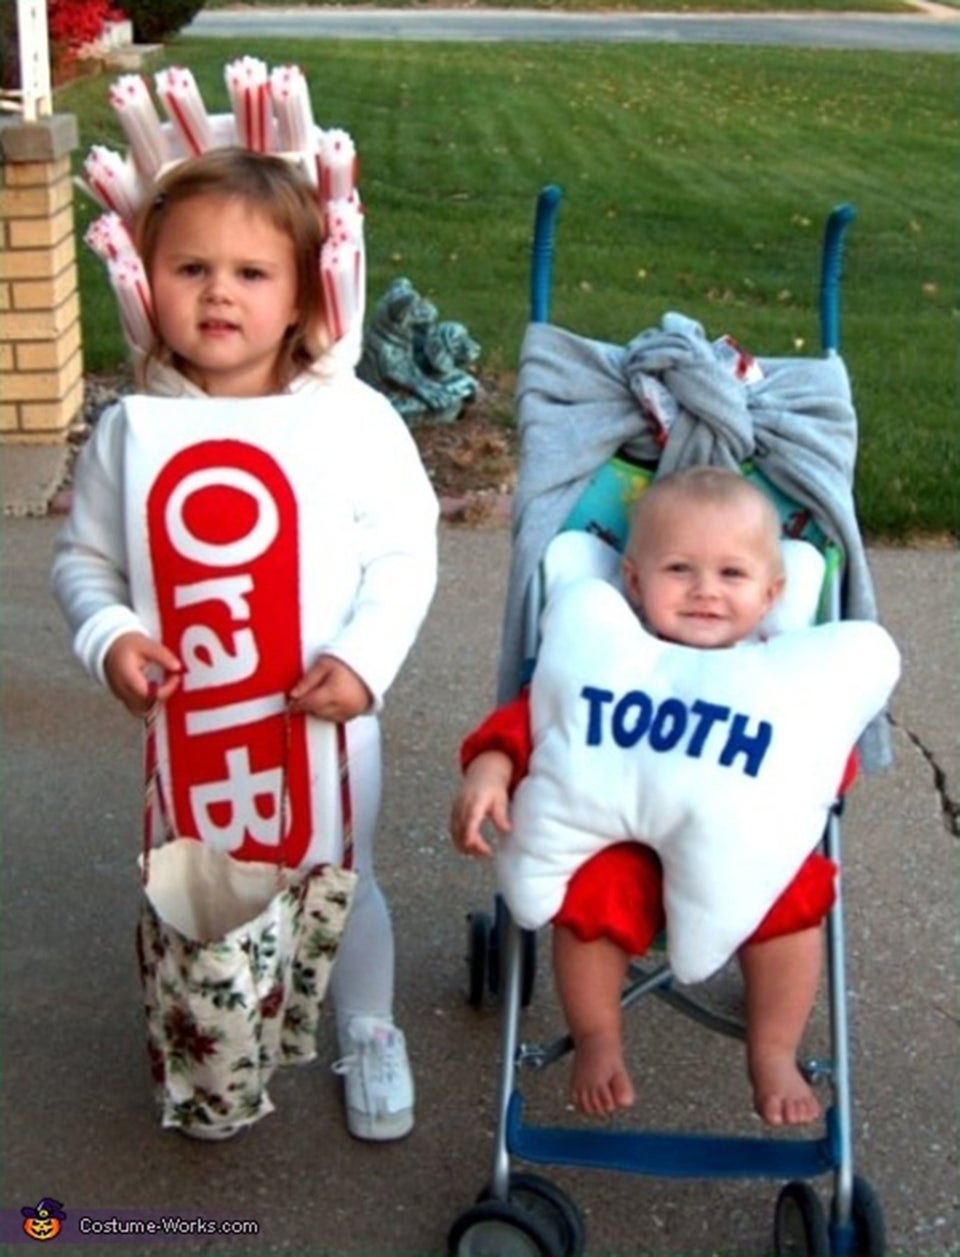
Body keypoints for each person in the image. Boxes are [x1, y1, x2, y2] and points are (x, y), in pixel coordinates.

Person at [52, 149, 438, 1142]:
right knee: (219, 898)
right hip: (201, 736)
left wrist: (364, 660)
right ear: (148, 285)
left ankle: (368, 1024)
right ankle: (223, 1056)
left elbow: (403, 555)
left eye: (251, 273)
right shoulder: (131, 434)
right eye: (191, 269)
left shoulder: (351, 421)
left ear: (304, 293)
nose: (219, 291)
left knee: (335, 880)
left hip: (324, 725)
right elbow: (84, 563)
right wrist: (113, 636)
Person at [450, 467, 840, 1128]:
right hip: (618, 840)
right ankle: (598, 1037)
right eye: (679, 569)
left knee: (793, 898)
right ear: (632, 580)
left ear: (773, 592)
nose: (705, 591)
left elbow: (822, 755)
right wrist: (490, 766)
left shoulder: (779, 673)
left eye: (732, 575)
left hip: (739, 845)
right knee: (589, 895)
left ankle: (773, 1049)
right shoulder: (606, 651)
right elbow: (541, 715)